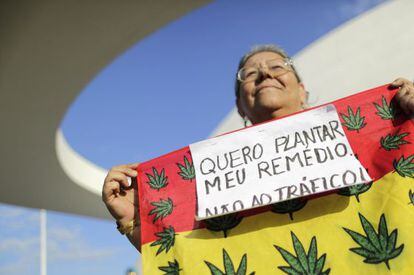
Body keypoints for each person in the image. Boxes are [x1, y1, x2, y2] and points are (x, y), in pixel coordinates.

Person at [102, 45, 414, 252]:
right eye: (250, 74)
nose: (265, 73)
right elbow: (195, 257)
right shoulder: (208, 185)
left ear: (302, 89)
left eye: (278, 66)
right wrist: (135, 222)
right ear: (240, 105)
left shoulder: (367, 135)